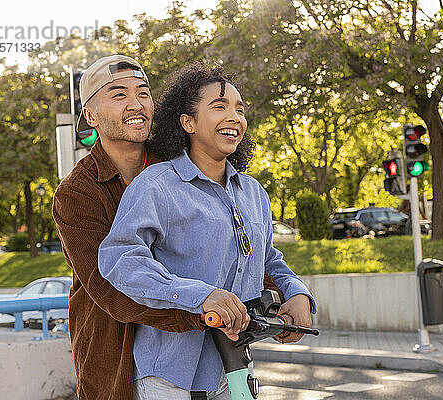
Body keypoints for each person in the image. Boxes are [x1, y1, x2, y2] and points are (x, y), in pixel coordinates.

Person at [52, 55, 286, 400]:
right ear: (90, 116)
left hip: (214, 359)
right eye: (118, 95)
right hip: (118, 358)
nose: (136, 105)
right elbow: (108, 286)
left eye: (143, 94)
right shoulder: (77, 193)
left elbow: (233, 249)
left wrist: (282, 291)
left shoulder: (182, 169)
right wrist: (201, 308)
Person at [98, 62, 316, 399]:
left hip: (236, 367)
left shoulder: (253, 192)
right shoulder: (156, 186)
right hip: (168, 375)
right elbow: (121, 258)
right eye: (220, 107)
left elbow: (267, 257)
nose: (234, 117)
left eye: (239, 110)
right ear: (188, 122)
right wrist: (199, 295)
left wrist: (296, 292)